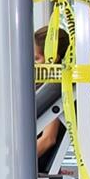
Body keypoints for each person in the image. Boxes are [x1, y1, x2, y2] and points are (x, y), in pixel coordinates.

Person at [34, 26, 65, 165]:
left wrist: (13, 164)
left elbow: (48, 139)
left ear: (54, 58)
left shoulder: (55, 89)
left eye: (36, 59)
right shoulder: (45, 86)